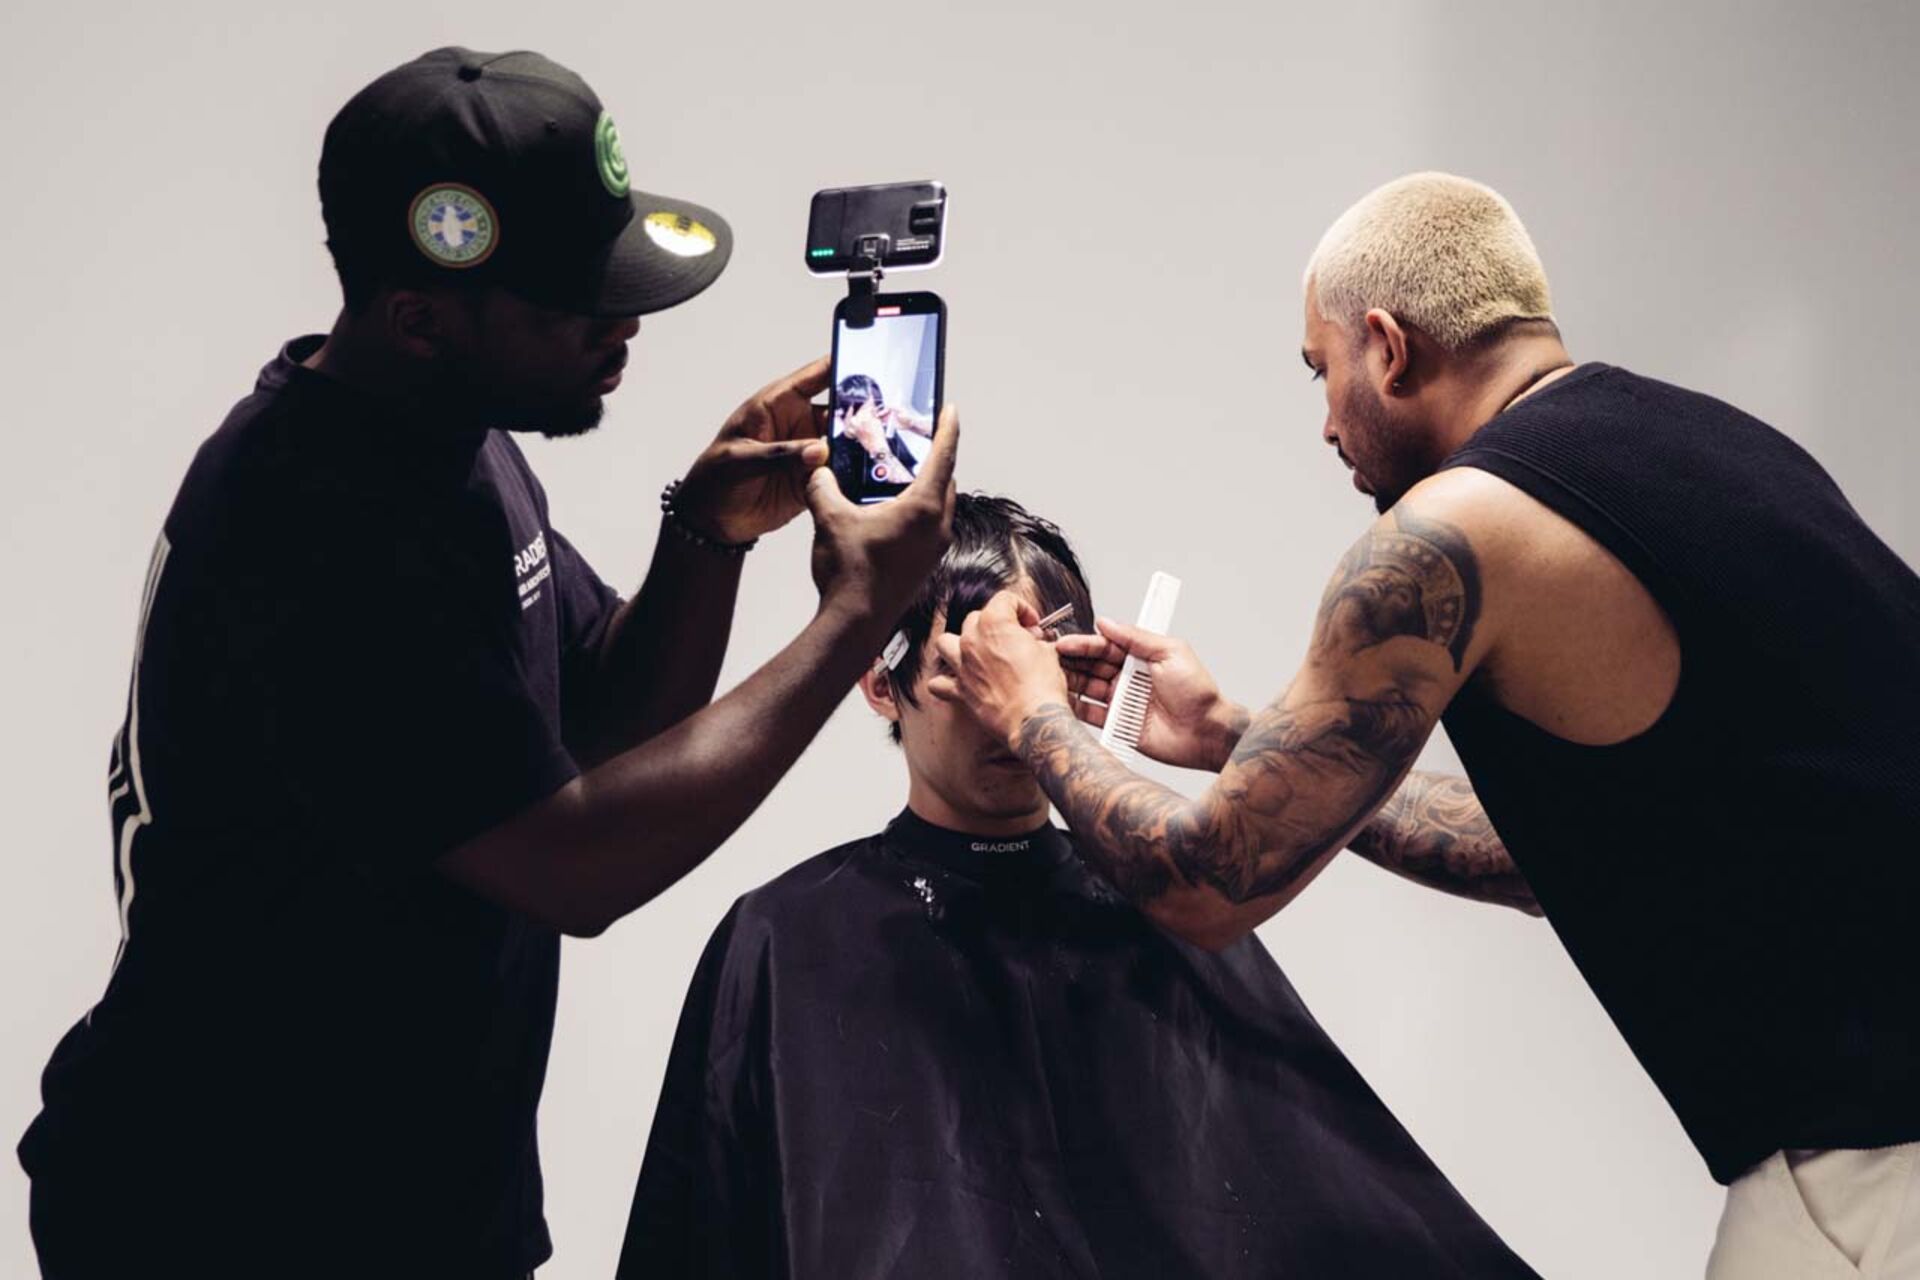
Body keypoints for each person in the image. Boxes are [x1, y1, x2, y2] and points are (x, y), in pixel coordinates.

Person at [20, 47, 957, 1278]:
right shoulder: (315, 523)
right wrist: (852, 622)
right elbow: (575, 864)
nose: (626, 325)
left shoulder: (439, 443)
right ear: (420, 317)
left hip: (405, 1205)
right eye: (577, 304)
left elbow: (602, 711)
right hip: (226, 1214)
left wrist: (707, 531)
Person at [935, 172, 1920, 1279]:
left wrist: (1031, 712)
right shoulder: (1724, 447)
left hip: (1873, 1171)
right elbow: (1571, 858)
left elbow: (1206, 885)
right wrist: (1233, 736)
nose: (1325, 423)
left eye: (1322, 371)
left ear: (1388, 348)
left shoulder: (1445, 537)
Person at [615, 493, 1539, 1279]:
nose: (1005, 712)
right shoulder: (783, 940)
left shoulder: (1168, 900)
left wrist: (1219, 731)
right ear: (879, 684)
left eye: (1037, 670)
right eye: (971, 671)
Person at [831, 372, 935, 495]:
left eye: (878, 409)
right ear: (840, 416)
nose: (874, 421)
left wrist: (911, 424)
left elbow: (912, 484)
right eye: (864, 414)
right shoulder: (833, 453)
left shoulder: (884, 435)